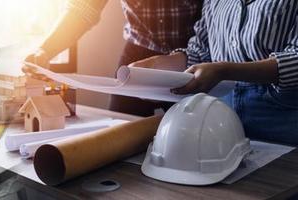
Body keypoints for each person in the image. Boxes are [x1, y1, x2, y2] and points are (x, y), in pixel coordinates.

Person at [129, 0, 298, 145]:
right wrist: (159, 66)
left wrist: (224, 71)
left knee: (276, 180)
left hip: (280, 118)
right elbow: (202, 50)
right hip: (221, 118)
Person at [23, 0, 203, 116]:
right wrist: (45, 49)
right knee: (119, 127)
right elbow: (83, 9)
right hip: (139, 52)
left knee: (193, 132)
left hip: (194, 55)